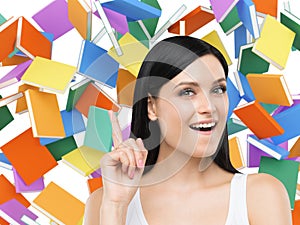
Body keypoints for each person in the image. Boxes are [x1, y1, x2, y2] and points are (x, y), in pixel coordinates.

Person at [84, 36, 292, 225]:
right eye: (188, 92)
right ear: (152, 107)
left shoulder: (260, 194)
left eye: (218, 89)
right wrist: (116, 207)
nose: (209, 106)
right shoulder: (104, 202)